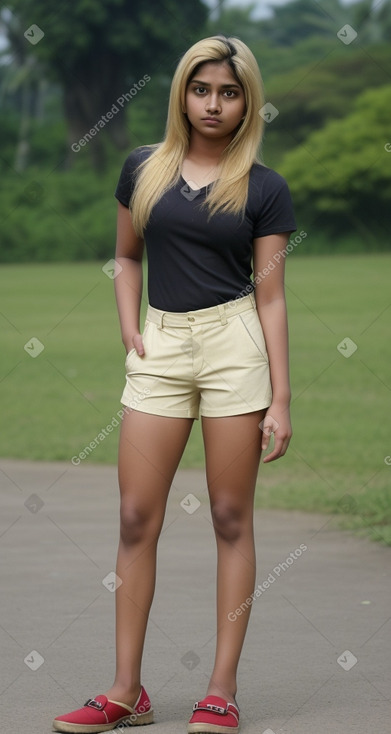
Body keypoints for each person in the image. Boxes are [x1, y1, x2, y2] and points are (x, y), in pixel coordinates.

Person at [53, 34, 296, 734]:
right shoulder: (142, 169)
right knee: (134, 518)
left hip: (233, 346)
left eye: (227, 91)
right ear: (181, 95)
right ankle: (127, 690)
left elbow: (273, 298)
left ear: (246, 99)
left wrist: (280, 397)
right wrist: (129, 326)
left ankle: (220, 689)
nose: (212, 104)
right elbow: (126, 258)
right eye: (200, 89)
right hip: (159, 344)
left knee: (228, 518)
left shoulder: (263, 185)